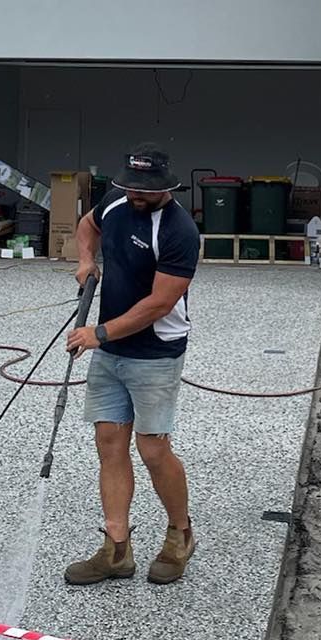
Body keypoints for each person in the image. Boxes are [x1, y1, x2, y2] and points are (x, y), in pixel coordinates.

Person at [64, 143, 200, 586]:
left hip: (155, 352)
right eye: (131, 188)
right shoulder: (116, 200)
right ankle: (116, 549)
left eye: (146, 191)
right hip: (110, 351)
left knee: (153, 449)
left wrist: (97, 334)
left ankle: (180, 535)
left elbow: (160, 303)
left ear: (165, 187)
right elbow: (87, 225)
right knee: (108, 440)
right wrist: (87, 261)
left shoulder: (180, 231)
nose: (136, 196)